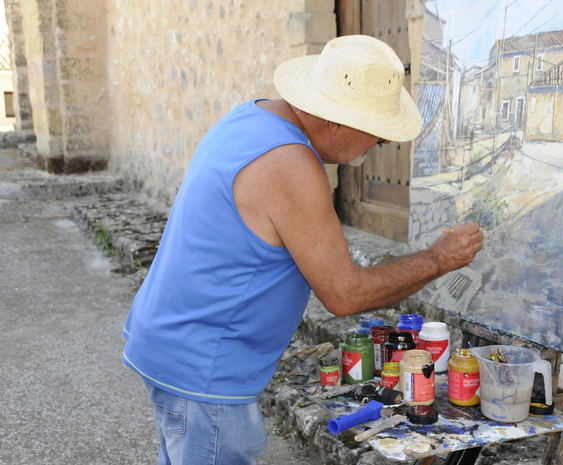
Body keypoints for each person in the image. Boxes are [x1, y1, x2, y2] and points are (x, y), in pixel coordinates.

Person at [122, 34, 483, 465]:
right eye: (378, 136)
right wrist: (439, 259)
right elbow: (344, 293)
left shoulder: (253, 117)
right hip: (205, 369)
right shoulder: (291, 163)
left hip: (171, 343)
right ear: (336, 121)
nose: (378, 147)